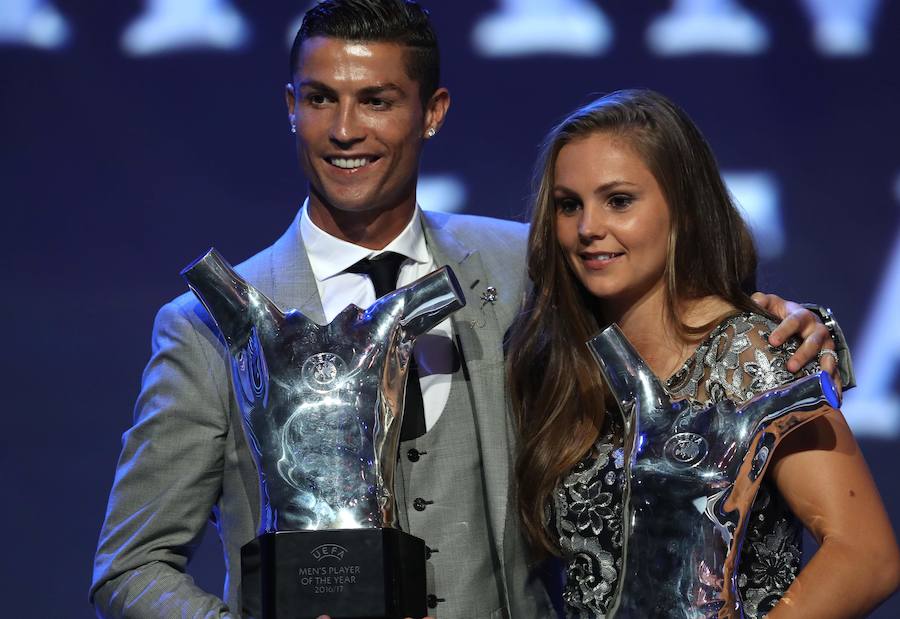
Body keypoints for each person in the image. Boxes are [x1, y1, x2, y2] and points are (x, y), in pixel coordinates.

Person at [90, 2, 844, 617]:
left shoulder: (531, 267)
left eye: (377, 100)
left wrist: (789, 327)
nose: (346, 129)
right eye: (321, 98)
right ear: (291, 107)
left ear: (432, 112)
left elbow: (680, 321)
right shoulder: (206, 326)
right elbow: (129, 565)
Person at [507, 89, 900, 618]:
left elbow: (866, 557)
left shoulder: (754, 352)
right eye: (568, 204)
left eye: (618, 200)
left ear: (684, 211)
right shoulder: (565, 363)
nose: (587, 228)